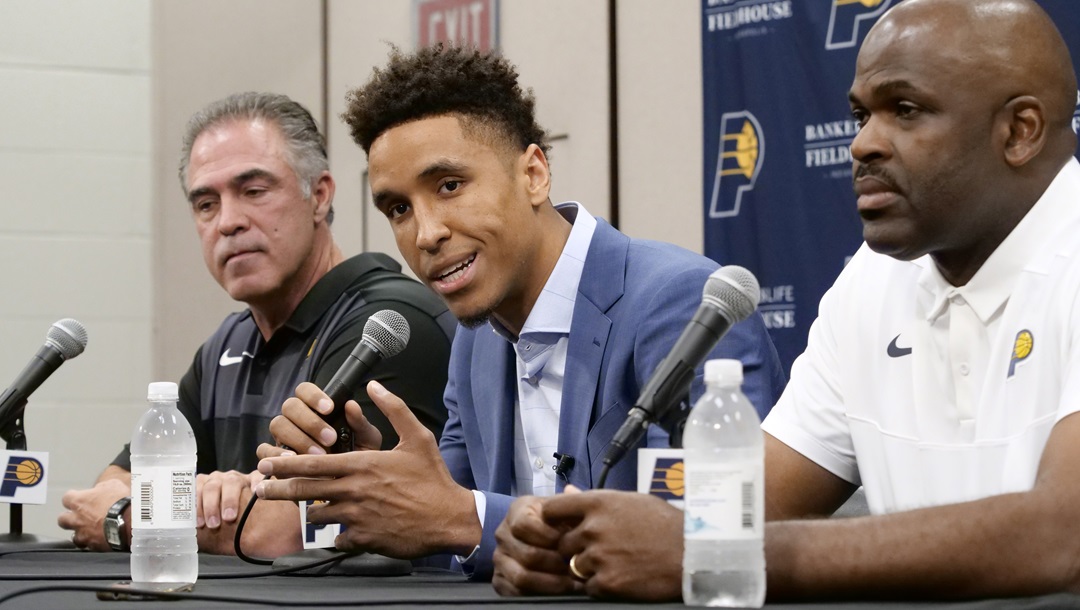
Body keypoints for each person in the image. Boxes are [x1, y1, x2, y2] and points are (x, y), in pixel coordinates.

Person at [491, 0, 1080, 601]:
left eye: (905, 110)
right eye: (860, 115)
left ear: (1019, 131)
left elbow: (1064, 535)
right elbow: (754, 503)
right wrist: (575, 547)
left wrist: (712, 553)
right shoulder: (872, 282)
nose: (863, 144)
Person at [253, 45, 785, 580]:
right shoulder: (476, 339)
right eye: (399, 209)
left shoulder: (682, 304)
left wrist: (462, 518)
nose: (426, 234)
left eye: (450, 186)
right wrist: (371, 485)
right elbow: (450, 533)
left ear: (533, 173)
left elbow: (705, 540)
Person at [57, 92, 454, 557]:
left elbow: (280, 532)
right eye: (206, 204)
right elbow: (114, 480)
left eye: (253, 191)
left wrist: (125, 518)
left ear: (319, 196)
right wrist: (195, 500)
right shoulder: (228, 342)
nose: (228, 222)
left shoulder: (385, 326)